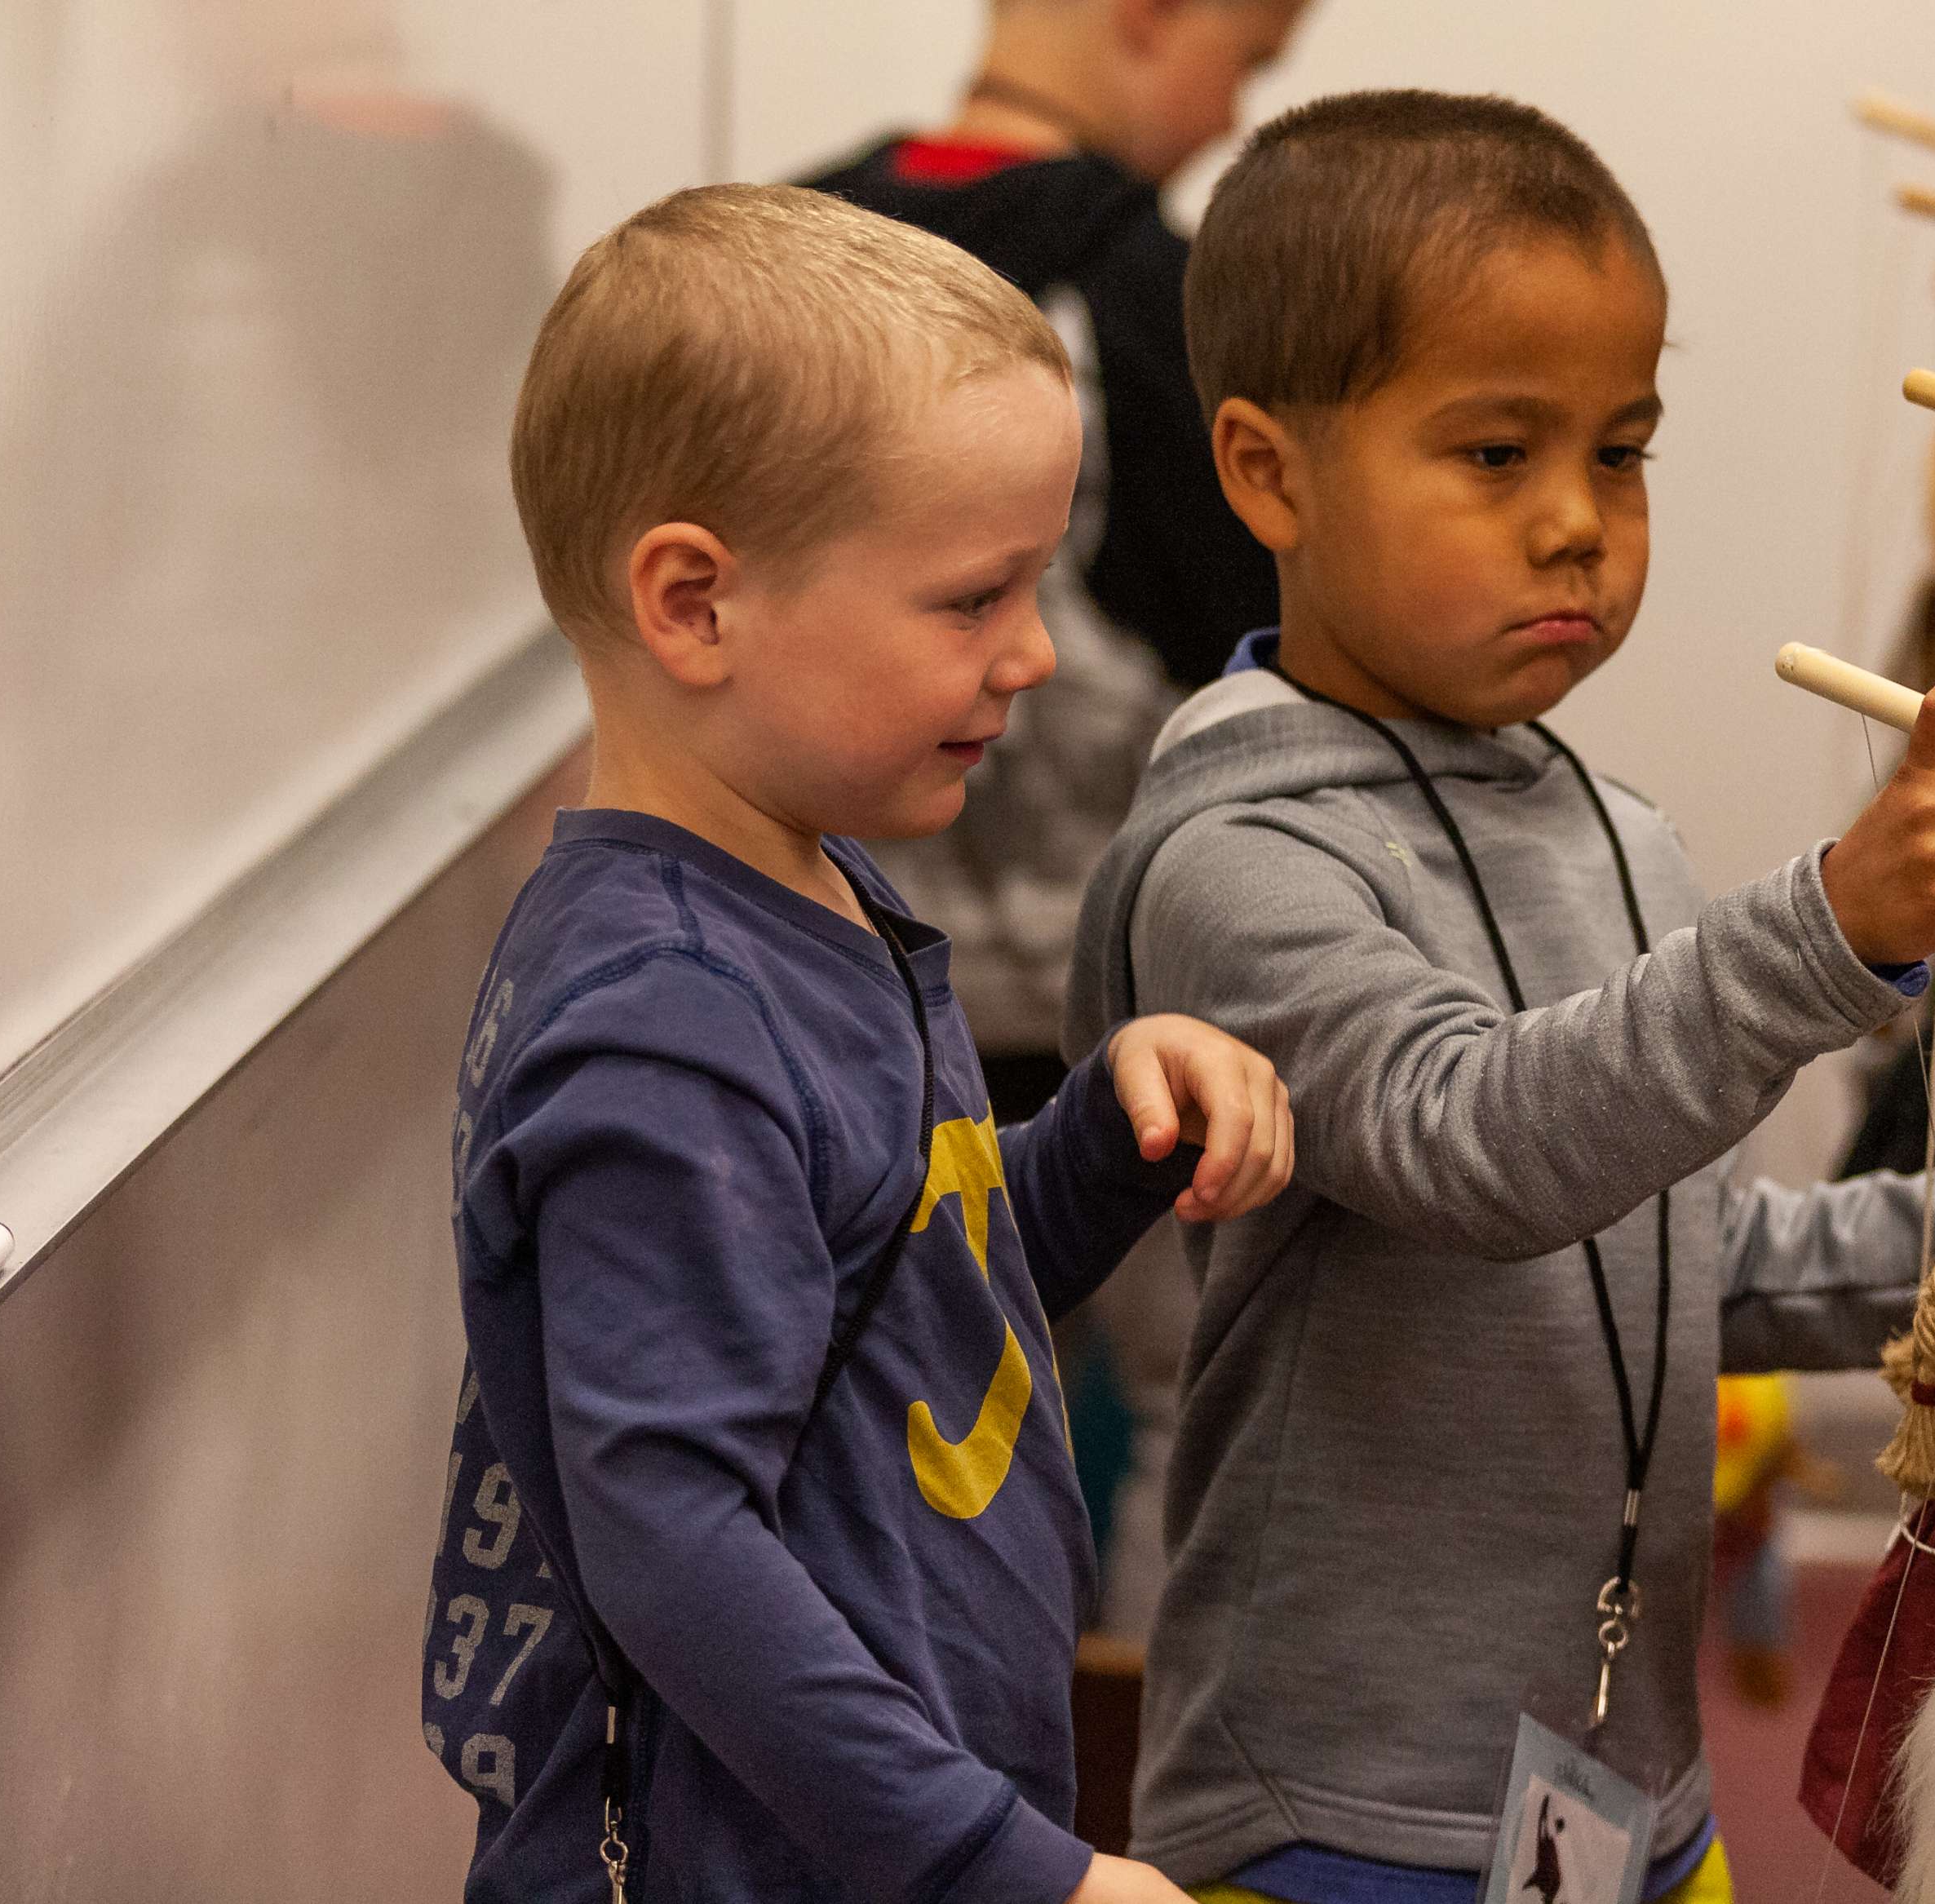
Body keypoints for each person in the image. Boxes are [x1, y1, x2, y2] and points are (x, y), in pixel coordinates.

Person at [1063, 92, 1935, 1904]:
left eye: (1621, 452)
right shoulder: (1237, 863)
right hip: (1343, 1814)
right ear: (1268, 471)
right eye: (1497, 456)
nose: (1578, 526)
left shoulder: (1611, 834)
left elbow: (1673, 1264)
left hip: (1623, 1798)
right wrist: (1829, 927)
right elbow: (1480, 1143)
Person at [422, 183, 1298, 1904]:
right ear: (693, 604)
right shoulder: (667, 1030)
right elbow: (672, 1551)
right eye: (972, 599)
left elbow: (905, 1306)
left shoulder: (806, 883)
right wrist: (1002, 1865)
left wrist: (1101, 1150)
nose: (1036, 654)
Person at [804, 0, 1310, 1638]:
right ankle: (1134, 1798)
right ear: (1151, 20)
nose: (1235, 115)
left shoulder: (794, 248)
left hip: (849, 988)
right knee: (1195, 1418)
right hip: (1129, 1007)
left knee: (880, 1421)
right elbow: (1252, 653)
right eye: (1247, 60)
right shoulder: (1151, 299)